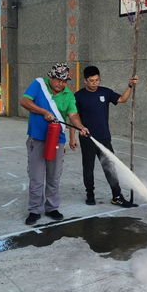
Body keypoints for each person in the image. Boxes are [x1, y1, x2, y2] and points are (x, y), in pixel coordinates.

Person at [20, 62, 89, 225]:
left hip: (57, 140)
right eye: (58, 79)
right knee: (36, 177)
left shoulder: (68, 95)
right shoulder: (38, 84)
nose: (61, 83)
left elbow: (73, 115)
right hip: (37, 139)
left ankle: (52, 208)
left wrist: (80, 127)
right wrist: (44, 111)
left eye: (65, 81)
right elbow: (24, 101)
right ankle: (34, 210)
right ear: (50, 77)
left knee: (54, 177)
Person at [70, 66, 138, 207]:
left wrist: (130, 86)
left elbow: (122, 99)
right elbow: (73, 116)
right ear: (85, 81)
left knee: (110, 167)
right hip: (87, 138)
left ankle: (117, 196)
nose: (95, 83)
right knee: (88, 169)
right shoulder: (78, 96)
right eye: (92, 81)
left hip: (104, 138)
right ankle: (90, 194)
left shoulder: (105, 92)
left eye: (97, 80)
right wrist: (72, 137)